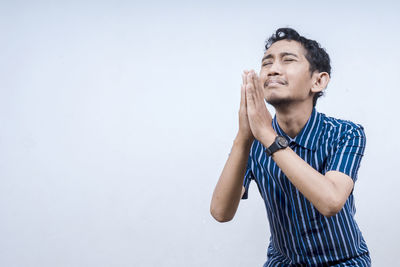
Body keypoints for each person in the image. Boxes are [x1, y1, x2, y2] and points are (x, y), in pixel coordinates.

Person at [210, 28, 371, 266]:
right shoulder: (253, 142)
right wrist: (244, 137)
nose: (273, 69)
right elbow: (221, 212)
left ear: (318, 81)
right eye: (267, 63)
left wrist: (267, 136)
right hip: (283, 262)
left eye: (288, 60)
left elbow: (331, 201)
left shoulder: (345, 133)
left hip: (344, 261)